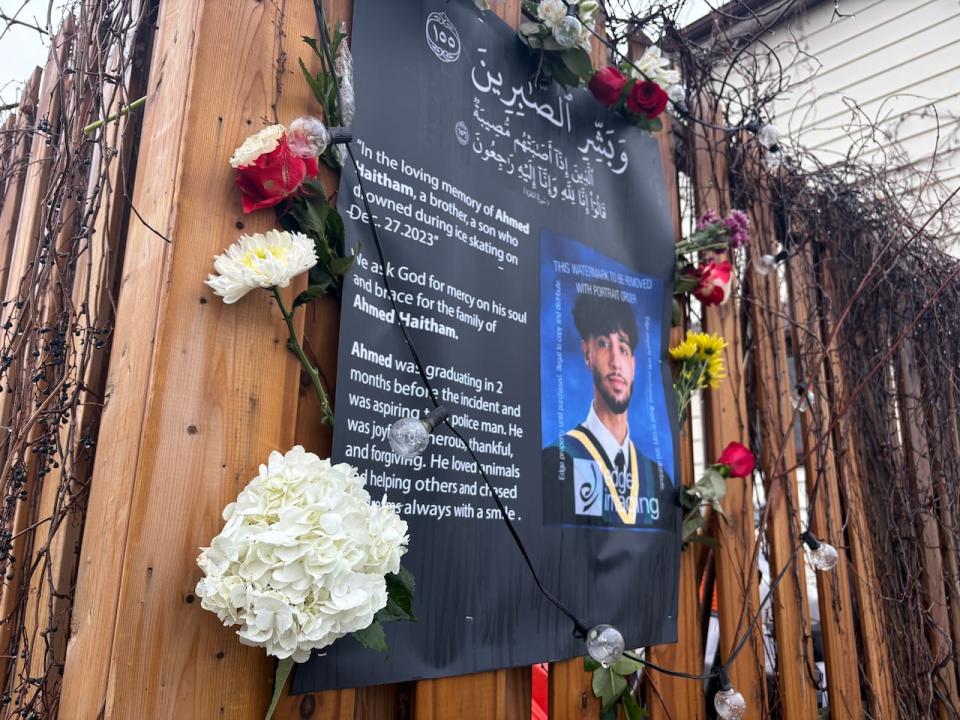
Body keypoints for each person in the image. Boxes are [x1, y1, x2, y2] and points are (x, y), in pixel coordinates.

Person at [542, 289, 668, 528]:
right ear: (586, 352)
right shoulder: (558, 464)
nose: (615, 361)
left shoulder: (656, 479)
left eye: (623, 348)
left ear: (634, 364)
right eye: (603, 344)